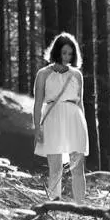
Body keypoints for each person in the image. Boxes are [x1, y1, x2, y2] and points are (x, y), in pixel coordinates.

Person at [33, 32, 89, 203]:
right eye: (64, 53)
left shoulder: (77, 75)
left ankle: (81, 208)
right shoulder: (43, 74)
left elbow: (80, 104)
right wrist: (37, 128)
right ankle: (54, 208)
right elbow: (37, 104)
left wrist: (84, 129)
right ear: (56, 52)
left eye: (70, 54)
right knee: (55, 169)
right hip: (52, 119)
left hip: (75, 120)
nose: (67, 57)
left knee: (77, 169)